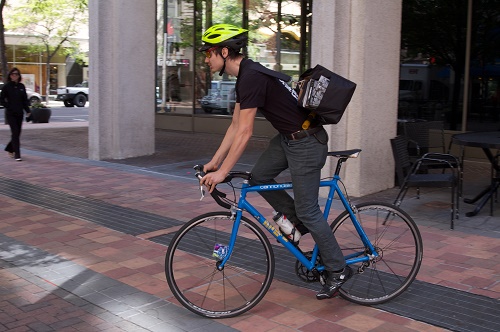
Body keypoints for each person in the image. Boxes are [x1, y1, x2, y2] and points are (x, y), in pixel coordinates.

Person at [198, 24, 352, 300]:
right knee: (258, 178)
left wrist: (224, 172)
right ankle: (298, 222)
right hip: (287, 139)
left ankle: (337, 269)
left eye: (209, 53)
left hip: (306, 142)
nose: (206, 59)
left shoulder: (252, 77)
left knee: (309, 210)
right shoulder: (246, 75)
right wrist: (214, 163)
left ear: (224, 51)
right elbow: (235, 125)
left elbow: (246, 132)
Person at [1, 67, 31, 161]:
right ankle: (17, 154)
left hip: (20, 113)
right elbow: (1, 99)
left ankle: (10, 148)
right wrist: (8, 106)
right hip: (11, 114)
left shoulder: (21, 86)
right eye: (13, 74)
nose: (15, 75)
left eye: (16, 74)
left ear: (19, 76)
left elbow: (24, 101)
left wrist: (28, 111)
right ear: (10, 76)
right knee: (15, 133)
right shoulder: (7, 86)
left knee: (17, 133)